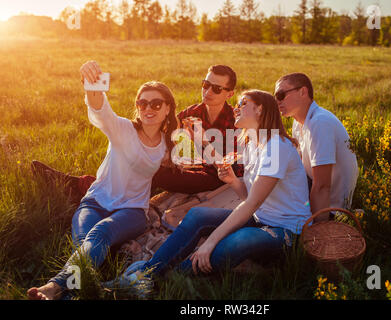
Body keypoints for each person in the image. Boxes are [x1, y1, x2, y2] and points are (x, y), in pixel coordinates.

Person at [110, 90, 312, 288]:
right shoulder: (252, 144)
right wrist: (233, 181)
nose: (236, 109)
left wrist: (210, 242)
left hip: (286, 231)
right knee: (197, 215)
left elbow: (251, 203)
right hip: (261, 220)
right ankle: (149, 272)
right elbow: (250, 198)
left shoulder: (276, 147)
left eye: (243, 104)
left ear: (260, 109)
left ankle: (160, 282)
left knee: (236, 242)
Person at [27, 61, 178, 300]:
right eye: (142, 103)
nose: (149, 108)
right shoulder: (123, 130)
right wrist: (92, 84)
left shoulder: (169, 145)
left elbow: (195, 160)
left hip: (132, 211)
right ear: (137, 107)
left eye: (156, 103)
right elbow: (101, 110)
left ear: (168, 108)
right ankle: (72, 295)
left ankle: (54, 287)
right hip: (95, 203)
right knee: (86, 246)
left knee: (100, 233)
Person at [31, 65, 242, 204]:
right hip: (190, 170)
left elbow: (238, 166)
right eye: (205, 85)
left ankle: (79, 186)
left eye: (216, 89)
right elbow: (175, 145)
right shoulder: (189, 114)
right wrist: (171, 155)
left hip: (217, 178)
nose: (207, 92)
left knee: (154, 172)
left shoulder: (237, 121)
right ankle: (85, 185)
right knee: (146, 160)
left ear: (230, 94)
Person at [274, 73, 358, 222]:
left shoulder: (320, 122)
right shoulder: (299, 122)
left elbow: (322, 186)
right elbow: (298, 169)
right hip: (315, 195)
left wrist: (317, 230)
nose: (277, 101)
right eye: (275, 97)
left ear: (303, 92)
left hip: (331, 208)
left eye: (281, 94)